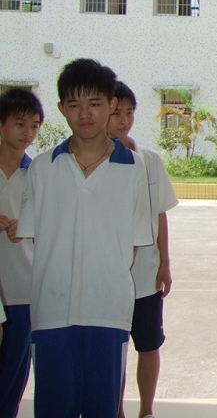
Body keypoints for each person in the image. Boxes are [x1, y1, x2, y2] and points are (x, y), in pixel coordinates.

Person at [17, 58, 153, 417]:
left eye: (94, 103)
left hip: (108, 312)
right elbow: (31, 237)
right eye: (74, 105)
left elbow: (137, 241)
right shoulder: (43, 168)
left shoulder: (133, 168)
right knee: (53, 408)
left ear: (110, 106)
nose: (85, 114)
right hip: (51, 314)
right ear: (62, 109)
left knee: (102, 409)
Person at [107, 82, 179, 418]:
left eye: (129, 113)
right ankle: (116, 410)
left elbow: (160, 215)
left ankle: (146, 411)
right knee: (114, 351)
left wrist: (165, 264)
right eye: (116, 113)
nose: (123, 120)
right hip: (110, 279)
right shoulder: (96, 165)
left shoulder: (150, 161)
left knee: (148, 346)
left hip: (146, 277)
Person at [0, 88, 42, 418]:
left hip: (22, 289)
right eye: (20, 124)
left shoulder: (38, 175)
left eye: (35, 126)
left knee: (13, 373)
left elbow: (50, 230)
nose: (27, 133)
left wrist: (27, 228)